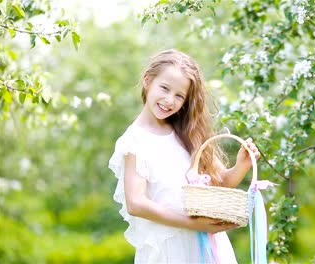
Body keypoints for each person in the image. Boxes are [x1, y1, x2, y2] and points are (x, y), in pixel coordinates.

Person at [108, 49, 261, 263]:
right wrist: (193, 224)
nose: (169, 100)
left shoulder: (187, 134)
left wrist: (241, 166)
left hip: (207, 243)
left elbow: (221, 185)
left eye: (179, 96)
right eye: (164, 88)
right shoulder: (135, 140)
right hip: (171, 247)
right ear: (147, 80)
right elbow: (136, 202)